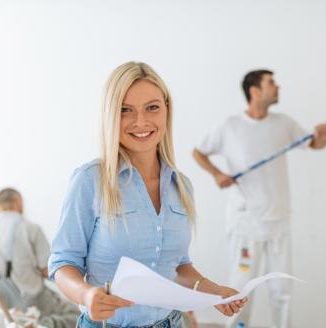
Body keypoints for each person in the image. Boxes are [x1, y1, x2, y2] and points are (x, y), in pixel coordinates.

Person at [48, 62, 248, 328]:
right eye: (125, 110)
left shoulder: (182, 186)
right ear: (110, 115)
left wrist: (212, 290)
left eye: (152, 107)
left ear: (166, 109)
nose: (140, 122)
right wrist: (85, 293)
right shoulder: (89, 181)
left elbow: (176, 265)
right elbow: (63, 263)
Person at [192, 70, 326, 328]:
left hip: (279, 220)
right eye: (271, 83)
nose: (277, 86)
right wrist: (217, 174)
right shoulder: (229, 126)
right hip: (246, 222)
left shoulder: (284, 123)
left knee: (282, 290)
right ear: (255, 90)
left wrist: (322, 138)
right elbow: (198, 152)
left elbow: (313, 144)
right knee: (240, 289)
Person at [0, 188, 81, 328]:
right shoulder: (30, 229)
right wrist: (76, 284)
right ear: (19, 202)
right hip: (30, 304)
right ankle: (45, 323)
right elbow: (49, 270)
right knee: (78, 314)